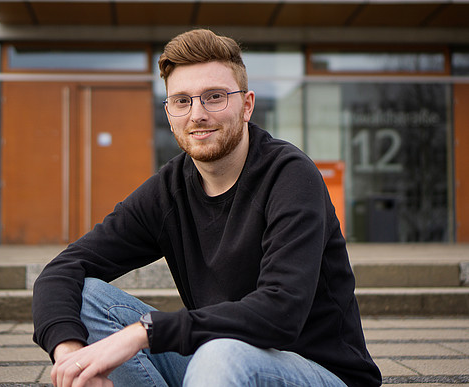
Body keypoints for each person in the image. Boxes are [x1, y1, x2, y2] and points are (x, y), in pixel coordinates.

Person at [32, 28, 382, 387]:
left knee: (221, 351)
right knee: (88, 297)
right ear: (169, 113)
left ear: (247, 105)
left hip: (320, 373)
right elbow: (62, 270)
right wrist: (72, 359)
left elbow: (281, 311)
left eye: (214, 97)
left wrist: (143, 333)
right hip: (216, 371)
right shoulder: (169, 190)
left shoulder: (291, 176)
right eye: (182, 100)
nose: (197, 114)